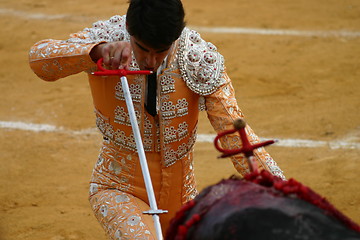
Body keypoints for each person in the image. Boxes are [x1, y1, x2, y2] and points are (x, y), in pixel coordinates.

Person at [29, 0, 285, 239]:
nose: (151, 60)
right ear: (129, 28)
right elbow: (40, 60)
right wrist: (95, 51)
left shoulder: (197, 58)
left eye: (161, 51)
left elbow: (233, 130)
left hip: (183, 197)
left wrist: (279, 189)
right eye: (143, 48)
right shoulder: (107, 40)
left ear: (176, 36)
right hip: (117, 186)